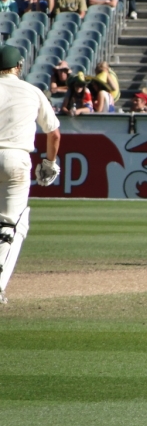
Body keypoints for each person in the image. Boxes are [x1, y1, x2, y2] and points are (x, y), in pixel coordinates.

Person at [0, 45, 61, 304]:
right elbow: (54, 133)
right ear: (18, 67)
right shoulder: (32, 91)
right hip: (16, 159)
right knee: (12, 224)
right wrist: (48, 162)